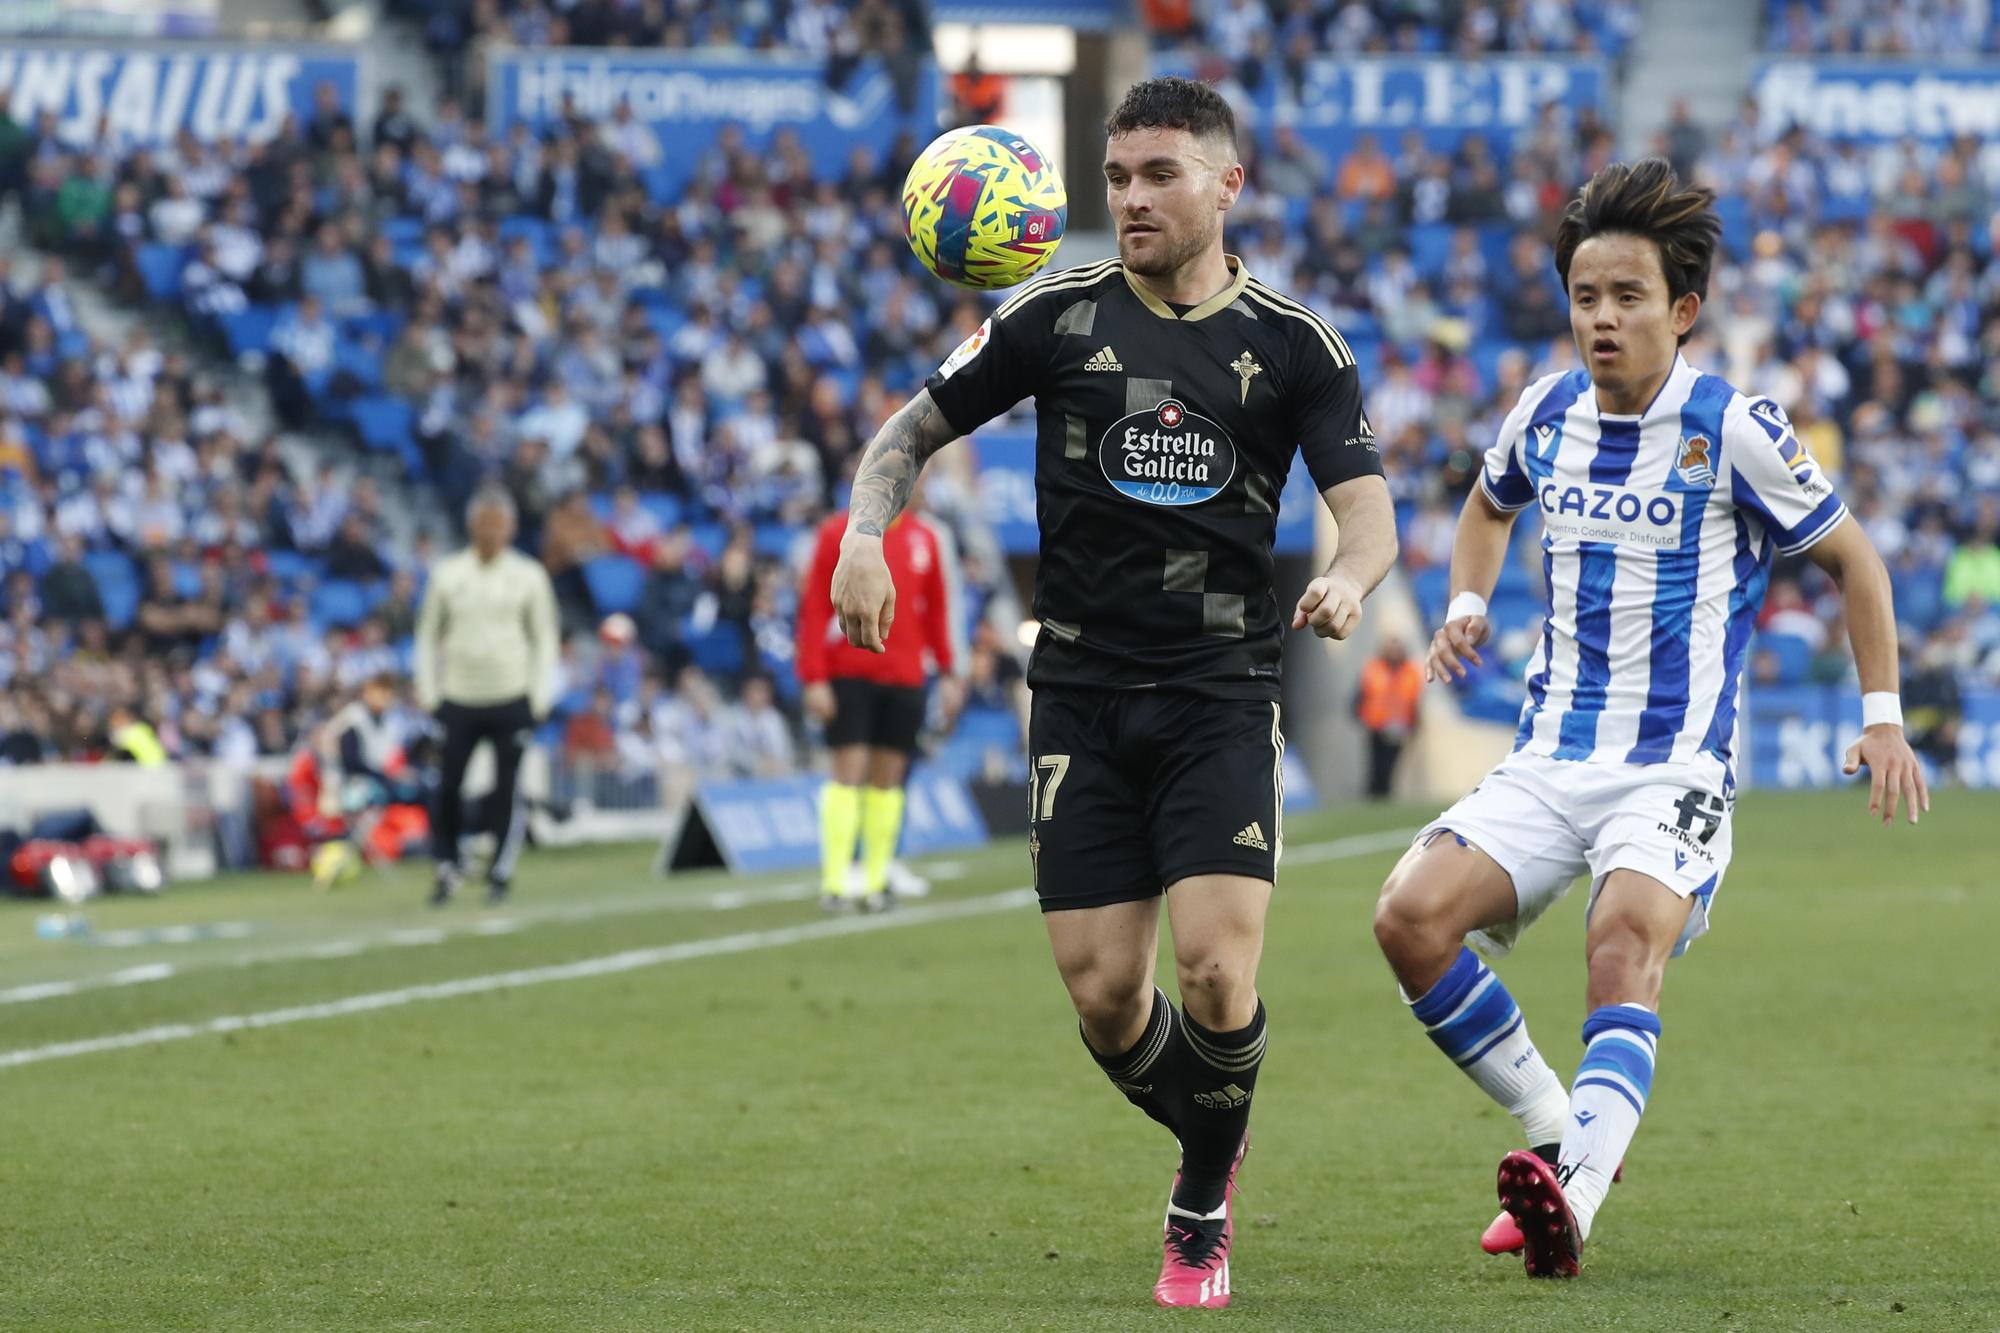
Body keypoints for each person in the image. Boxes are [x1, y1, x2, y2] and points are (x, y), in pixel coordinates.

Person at [828, 77, 1397, 1309]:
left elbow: (1367, 517)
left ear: (1224, 183)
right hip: (1077, 694)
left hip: (1219, 692)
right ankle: (1219, 1128)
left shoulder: (1296, 345)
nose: (1131, 199)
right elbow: (903, 436)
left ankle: (1198, 1205)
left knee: (1210, 975)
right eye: (1117, 177)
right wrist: (862, 535)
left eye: (1158, 175)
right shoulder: (1052, 315)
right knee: (1102, 998)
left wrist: (1348, 581)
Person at [1373, 159, 1929, 1282]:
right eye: (1584, 297)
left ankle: (1569, 1200)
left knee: (1619, 940)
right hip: (1546, 758)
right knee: (1406, 919)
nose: (1601, 319)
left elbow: (1853, 561)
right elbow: (1486, 507)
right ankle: (1554, 1127)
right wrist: (1466, 602)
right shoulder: (1543, 409)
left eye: (1626, 296)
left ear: (1681, 309)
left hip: (1671, 766)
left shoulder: (1734, 428)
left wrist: (1882, 717)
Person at [797, 490, 964, 912]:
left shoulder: (925, 539)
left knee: (888, 780)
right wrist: (814, 677)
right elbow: (815, 608)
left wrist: (947, 671)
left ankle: (876, 879)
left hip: (907, 674)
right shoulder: (838, 535)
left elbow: (936, 612)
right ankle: (835, 882)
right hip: (848, 673)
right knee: (847, 771)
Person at [414, 488, 559, 907]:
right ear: (471, 526)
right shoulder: (448, 573)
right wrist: (429, 690)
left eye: (499, 524)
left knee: (505, 788)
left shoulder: (529, 575)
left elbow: (544, 637)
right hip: (458, 695)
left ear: (511, 528)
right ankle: (447, 864)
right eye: (484, 523)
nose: (492, 532)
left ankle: (500, 870)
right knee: (446, 786)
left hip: (511, 694)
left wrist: (538, 696)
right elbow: (426, 635)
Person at [1356, 634, 1423, 797]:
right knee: (1375, 764)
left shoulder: (1410, 671)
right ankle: (1373, 794)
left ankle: (1385, 793)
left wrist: (1414, 726)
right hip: (1376, 725)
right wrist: (1360, 716)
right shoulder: (1374, 668)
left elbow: (1414, 701)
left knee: (1391, 764)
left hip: (1399, 726)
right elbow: (1362, 695)